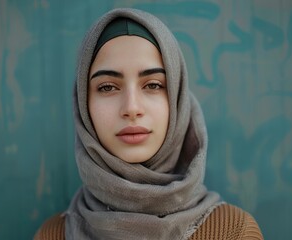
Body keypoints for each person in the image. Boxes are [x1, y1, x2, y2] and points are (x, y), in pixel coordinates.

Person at [34, 8, 263, 240]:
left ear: (177, 98)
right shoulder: (52, 235)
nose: (132, 108)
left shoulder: (234, 232)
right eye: (107, 87)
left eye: (153, 85)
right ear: (84, 104)